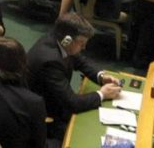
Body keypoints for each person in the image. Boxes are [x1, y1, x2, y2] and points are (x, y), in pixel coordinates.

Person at [27, 14, 121, 142]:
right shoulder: (50, 61)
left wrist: (101, 76)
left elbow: (80, 60)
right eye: (81, 43)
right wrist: (102, 94)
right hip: (45, 115)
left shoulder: (58, 40)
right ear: (67, 40)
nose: (84, 47)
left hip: (55, 101)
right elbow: (71, 103)